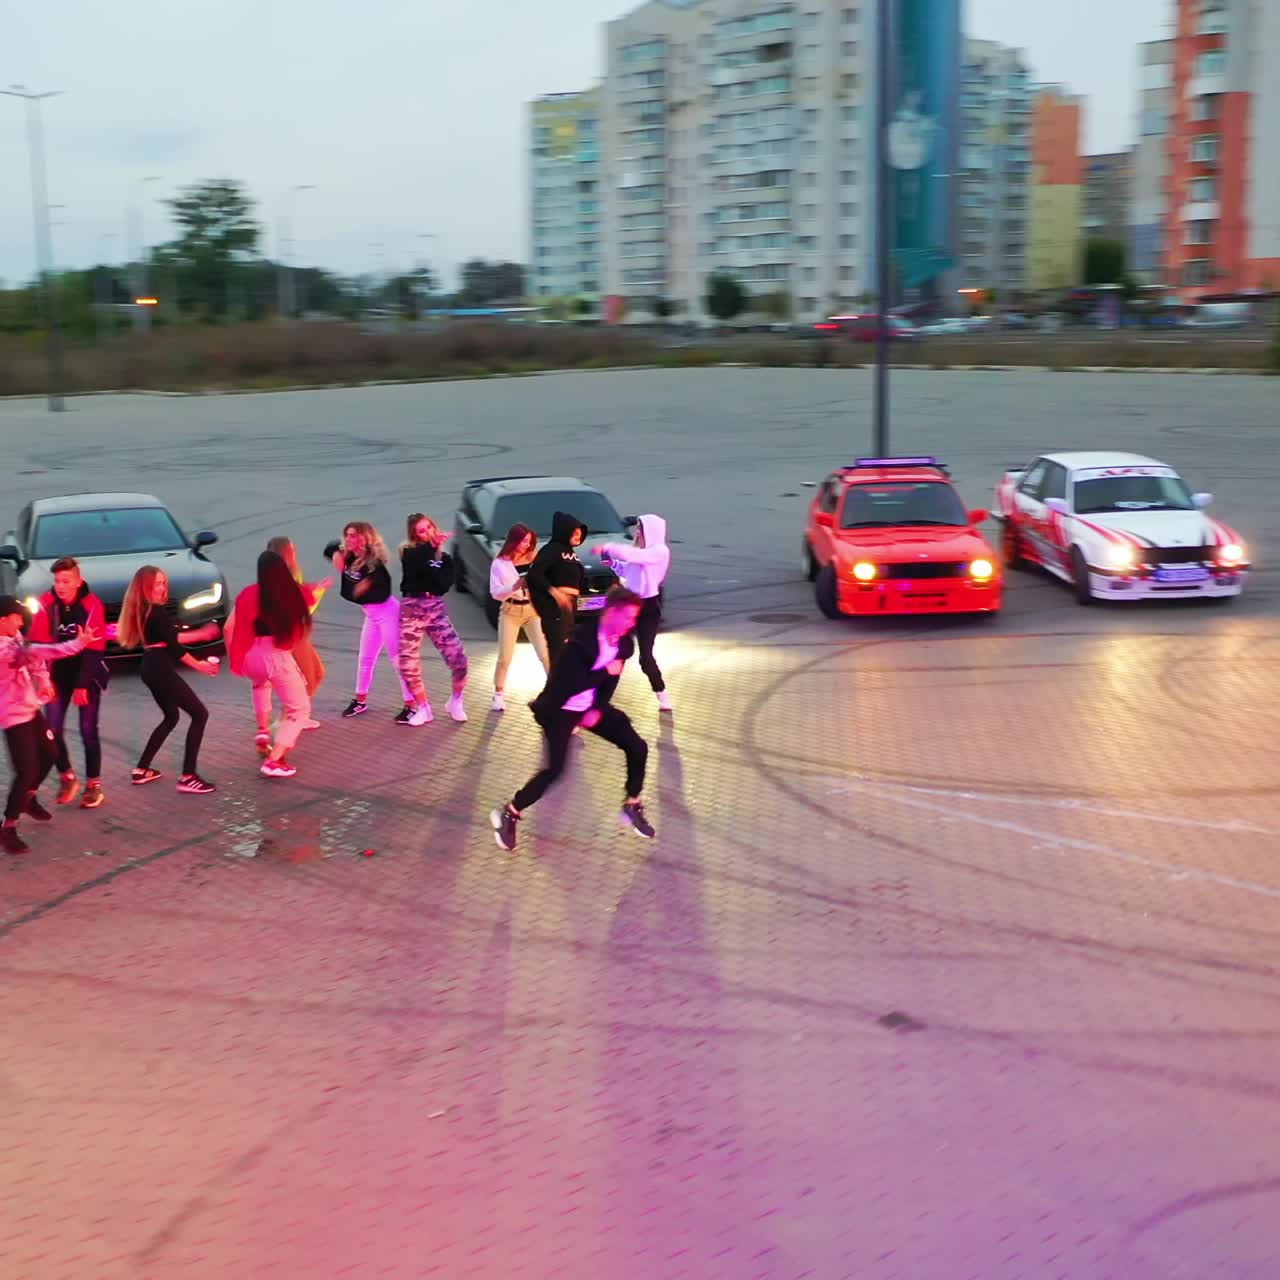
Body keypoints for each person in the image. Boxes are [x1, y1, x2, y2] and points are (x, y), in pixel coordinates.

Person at [489, 585, 655, 852]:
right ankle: (509, 813)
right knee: (555, 771)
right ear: (610, 612)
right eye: (627, 617)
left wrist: (596, 709)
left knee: (637, 746)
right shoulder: (579, 642)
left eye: (634, 618)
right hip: (559, 708)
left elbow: (609, 683)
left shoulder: (624, 644)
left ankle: (632, 803)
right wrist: (603, 671)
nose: (630, 623)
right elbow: (569, 686)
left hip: (590, 705)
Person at [0, 595, 97, 854]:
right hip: (13, 716)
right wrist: (78, 644)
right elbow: (41, 651)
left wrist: (44, 681)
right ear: (3, 621)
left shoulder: (15, 636)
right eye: (16, 617)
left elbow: (36, 661)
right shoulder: (3, 649)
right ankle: (8, 827)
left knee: (51, 753)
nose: (21, 621)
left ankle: (28, 799)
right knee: (26, 769)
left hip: (30, 710)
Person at [118, 566, 220, 794]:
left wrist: (201, 635)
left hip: (150, 666)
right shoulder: (155, 611)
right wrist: (200, 665)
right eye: (157, 584)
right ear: (145, 587)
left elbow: (168, 637)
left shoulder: (142, 610)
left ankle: (141, 769)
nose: (162, 588)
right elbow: (175, 648)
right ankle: (188, 776)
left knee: (171, 716)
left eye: (164, 583)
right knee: (200, 714)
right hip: (160, 668)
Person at [29, 557, 110, 807]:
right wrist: (44, 681)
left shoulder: (92, 605)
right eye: (57, 581)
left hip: (87, 673)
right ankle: (67, 776)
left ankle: (94, 785)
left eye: (66, 581)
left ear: (78, 581)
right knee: (51, 732)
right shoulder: (45, 603)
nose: (60, 586)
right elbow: (39, 646)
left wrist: (83, 684)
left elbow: (95, 648)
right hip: (57, 676)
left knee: (88, 731)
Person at [225, 551, 313, 778]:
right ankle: (274, 760)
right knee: (299, 708)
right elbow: (307, 604)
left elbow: (228, 627)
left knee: (260, 684)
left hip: (251, 655)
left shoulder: (249, 594)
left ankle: (263, 731)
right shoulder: (291, 593)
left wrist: (234, 654)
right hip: (276, 655)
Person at [325, 521, 415, 720]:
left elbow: (382, 593)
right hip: (372, 616)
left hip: (388, 614)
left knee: (398, 661)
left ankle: (411, 705)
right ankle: (360, 701)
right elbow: (330, 548)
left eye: (354, 536)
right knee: (365, 659)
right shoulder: (349, 555)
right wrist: (337, 555)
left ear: (364, 539)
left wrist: (360, 593)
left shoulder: (373, 564)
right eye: (347, 535)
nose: (349, 539)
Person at [397, 513, 468, 724]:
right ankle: (423, 708)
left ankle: (456, 701)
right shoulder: (409, 552)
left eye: (429, 527)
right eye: (421, 530)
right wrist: (430, 551)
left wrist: (435, 558)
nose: (427, 532)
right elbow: (414, 564)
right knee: (407, 664)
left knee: (459, 660)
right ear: (414, 535)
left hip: (435, 608)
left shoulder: (445, 559)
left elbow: (443, 585)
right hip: (412, 608)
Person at [600, 514, 672, 712]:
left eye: (641, 529)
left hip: (648, 607)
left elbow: (637, 558)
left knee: (645, 657)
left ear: (652, 531)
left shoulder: (659, 551)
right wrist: (613, 564)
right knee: (616, 654)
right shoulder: (639, 551)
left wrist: (609, 547)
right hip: (629, 605)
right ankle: (599, 700)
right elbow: (628, 570)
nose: (638, 533)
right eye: (638, 529)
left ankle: (662, 693)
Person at [489, 522, 550, 712]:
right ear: (514, 540)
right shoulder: (500, 563)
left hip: (532, 611)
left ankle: (555, 689)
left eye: (529, 542)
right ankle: (498, 695)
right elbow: (495, 593)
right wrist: (514, 587)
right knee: (505, 656)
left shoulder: (534, 558)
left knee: (544, 652)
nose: (526, 545)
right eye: (523, 541)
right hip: (510, 611)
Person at [267, 535, 329, 707]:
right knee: (308, 678)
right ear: (285, 553)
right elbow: (301, 606)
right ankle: (292, 716)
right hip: (294, 634)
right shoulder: (282, 577)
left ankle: (298, 713)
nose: (295, 552)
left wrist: (315, 589)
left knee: (317, 673)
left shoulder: (291, 572)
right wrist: (318, 591)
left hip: (301, 632)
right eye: (292, 549)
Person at [527, 511, 587, 664]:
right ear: (565, 531)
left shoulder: (571, 553)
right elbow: (534, 575)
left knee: (568, 652)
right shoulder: (551, 550)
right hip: (554, 610)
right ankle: (556, 686)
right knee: (559, 653)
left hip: (569, 610)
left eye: (580, 533)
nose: (578, 536)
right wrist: (554, 592)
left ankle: (563, 685)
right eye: (575, 532)